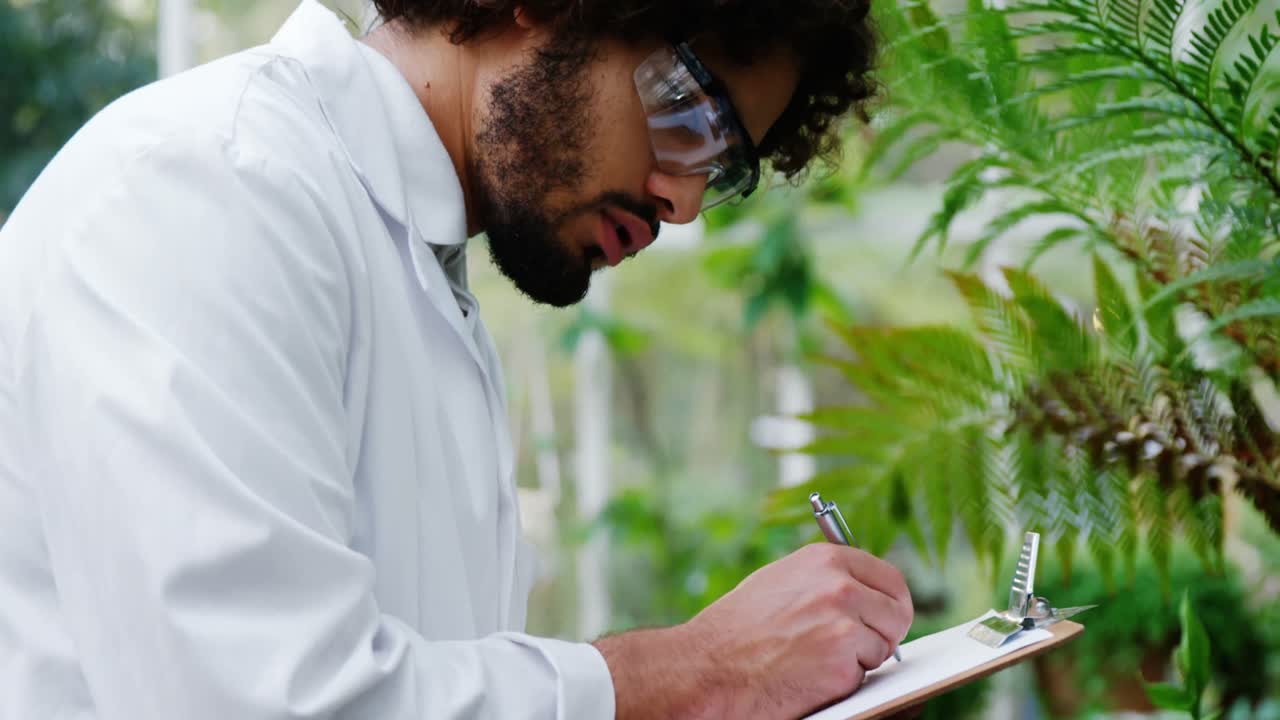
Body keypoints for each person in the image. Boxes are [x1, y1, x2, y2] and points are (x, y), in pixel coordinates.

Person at [0, 0, 912, 718]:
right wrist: (700, 675)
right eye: (691, 111)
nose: (681, 198)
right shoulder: (207, 186)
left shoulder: (423, 283)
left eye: (725, 167)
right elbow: (260, 702)